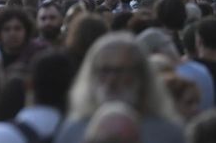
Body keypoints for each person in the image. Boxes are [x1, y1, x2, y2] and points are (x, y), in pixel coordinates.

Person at [54, 32, 184, 143]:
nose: (112, 80)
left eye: (121, 70)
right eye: (105, 71)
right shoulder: (73, 132)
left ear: (140, 75)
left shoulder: (168, 133)